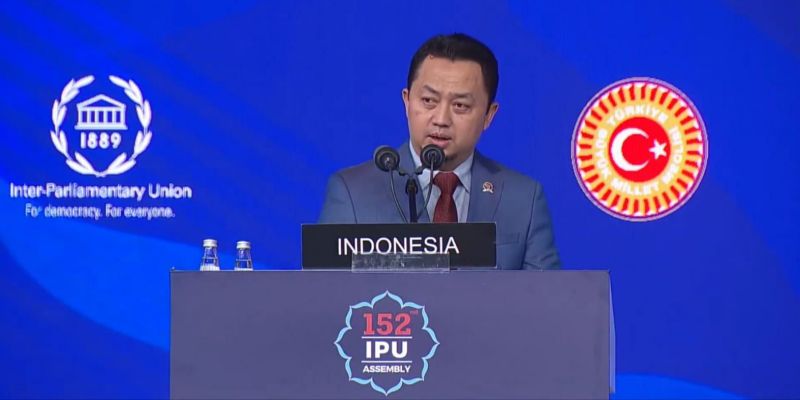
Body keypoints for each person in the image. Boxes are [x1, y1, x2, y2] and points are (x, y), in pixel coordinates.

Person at [319, 33, 560, 270]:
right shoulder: (353, 193)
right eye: (428, 101)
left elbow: (546, 294)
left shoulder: (523, 199)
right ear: (407, 102)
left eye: (460, 105)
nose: (441, 119)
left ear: (489, 115)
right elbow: (325, 291)